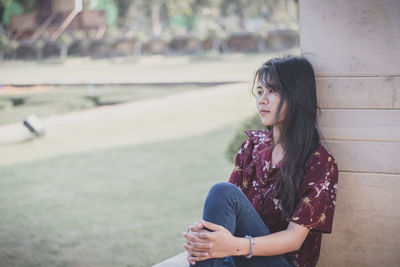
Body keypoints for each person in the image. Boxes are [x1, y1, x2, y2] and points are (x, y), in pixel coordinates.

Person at [182, 56, 338, 267]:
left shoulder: (319, 163)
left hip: (280, 263)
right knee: (222, 193)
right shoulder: (251, 148)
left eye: (273, 91)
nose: (262, 100)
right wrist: (204, 238)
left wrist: (235, 245)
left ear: (297, 96)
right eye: (259, 91)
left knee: (222, 191)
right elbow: (228, 211)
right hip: (240, 256)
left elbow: (294, 239)